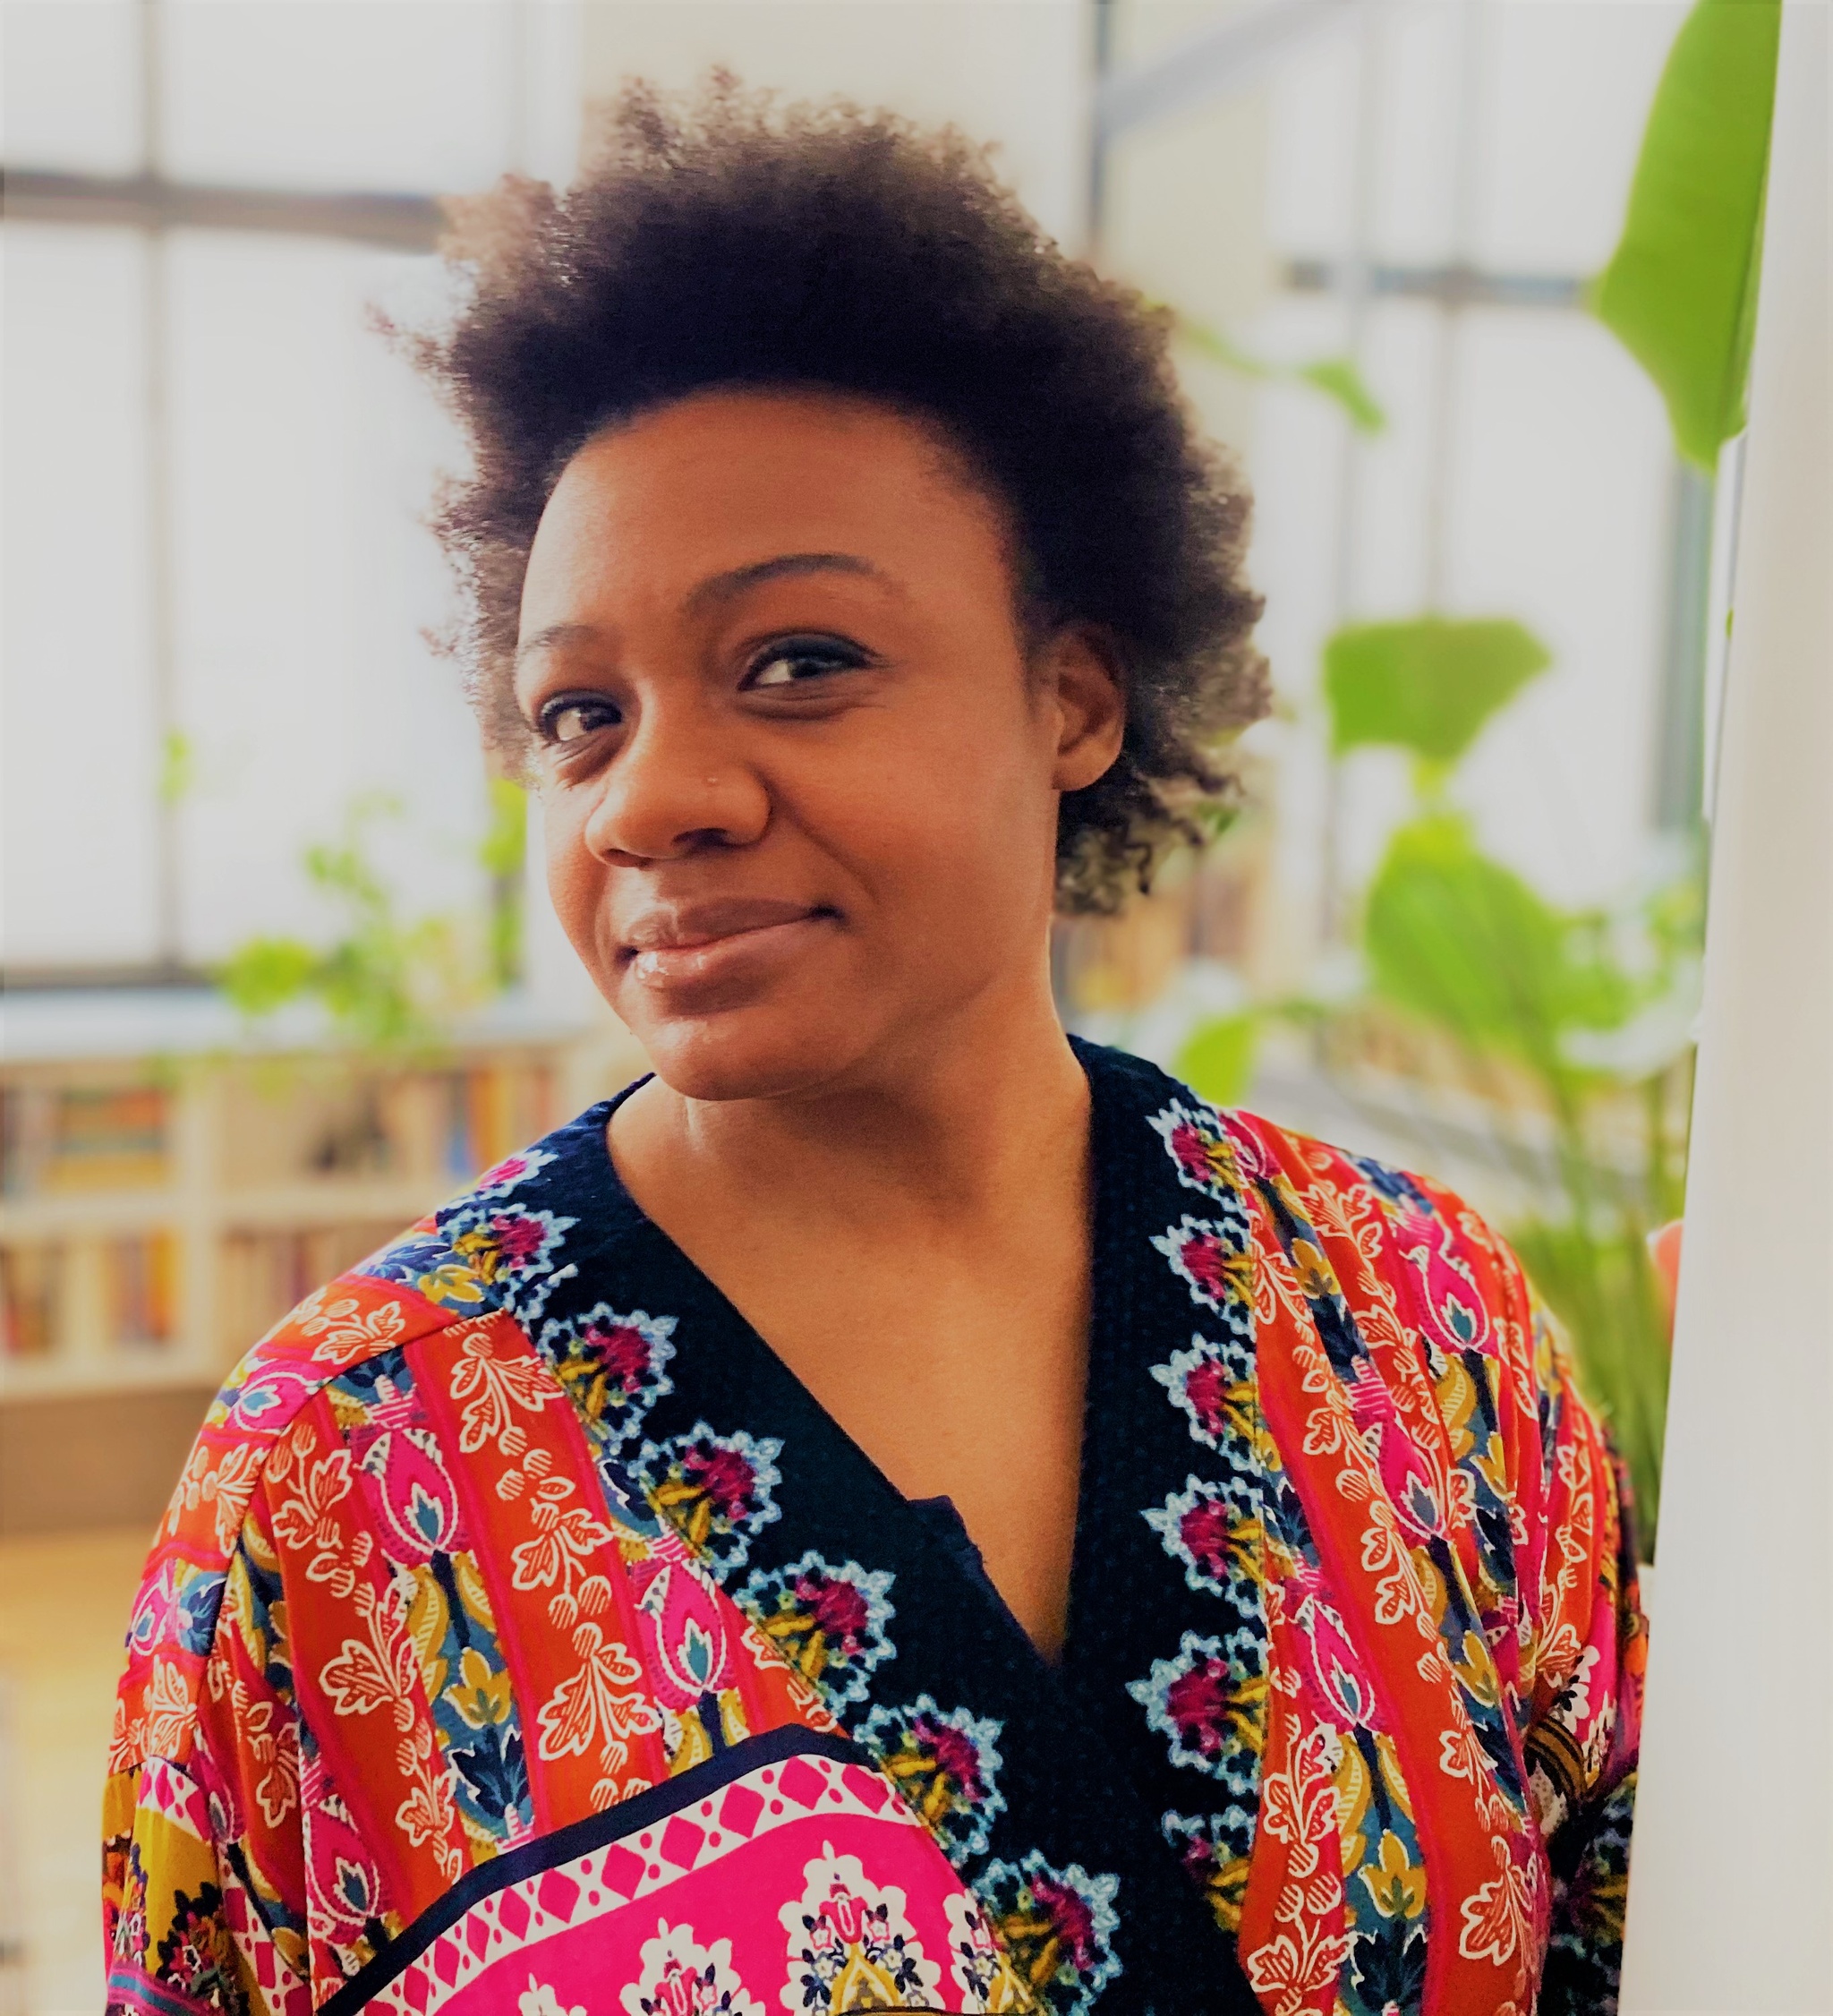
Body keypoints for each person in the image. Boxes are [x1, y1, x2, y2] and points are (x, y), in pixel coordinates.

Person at [102, 82, 1643, 2016]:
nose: (647, 796)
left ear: (1071, 699)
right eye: (576, 713)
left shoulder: (1415, 1317)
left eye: (798, 662)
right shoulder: (335, 1477)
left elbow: (1631, 1929)